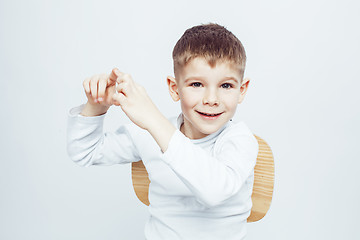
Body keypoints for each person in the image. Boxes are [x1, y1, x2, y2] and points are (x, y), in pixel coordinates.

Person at [67, 23, 259, 240]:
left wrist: (152, 118)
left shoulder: (240, 140)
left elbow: (214, 191)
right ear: (174, 88)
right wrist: (97, 105)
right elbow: (84, 152)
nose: (211, 100)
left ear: (241, 90)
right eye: (196, 84)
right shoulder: (152, 132)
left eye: (226, 86)